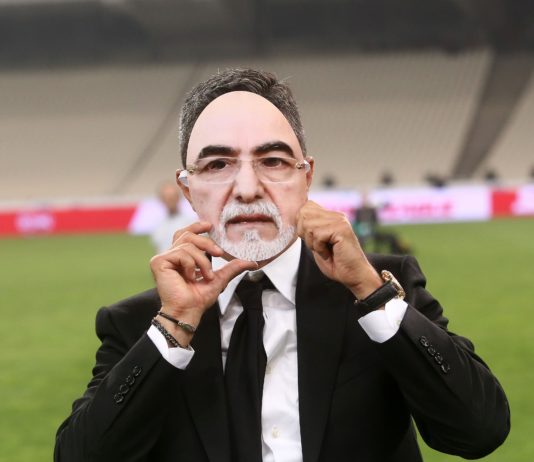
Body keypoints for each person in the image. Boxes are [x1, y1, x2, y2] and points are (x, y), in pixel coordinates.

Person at [55, 69, 510, 462]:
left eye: (272, 161)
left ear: (305, 176)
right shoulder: (139, 324)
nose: (247, 188)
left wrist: (373, 295)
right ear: (188, 189)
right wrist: (174, 326)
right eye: (218, 164)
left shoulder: (380, 288)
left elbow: (478, 432)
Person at [150, 181, 192, 253]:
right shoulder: (158, 225)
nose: (170, 201)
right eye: (167, 198)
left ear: (178, 197)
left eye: (172, 197)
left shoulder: (190, 222)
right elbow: (158, 249)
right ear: (162, 199)